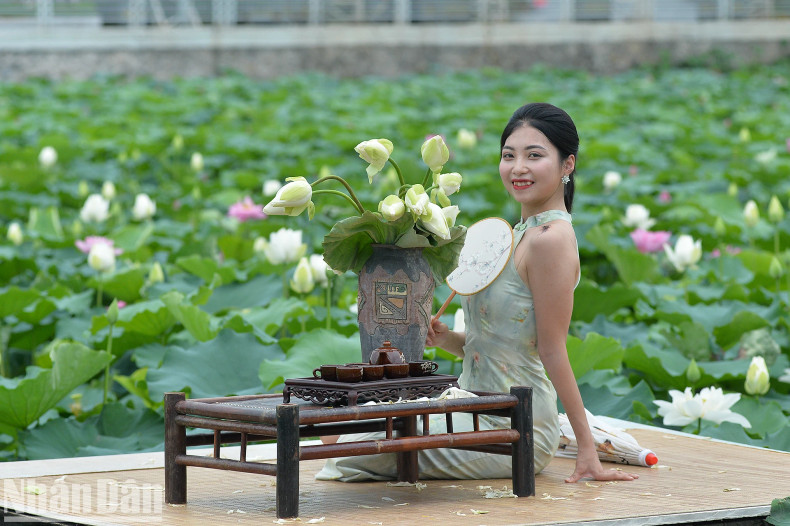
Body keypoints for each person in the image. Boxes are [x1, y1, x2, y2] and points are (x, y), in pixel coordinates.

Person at [316, 103, 639, 483]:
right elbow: (496, 345)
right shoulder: (513, 236)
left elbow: (551, 350)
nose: (518, 167)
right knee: (337, 431)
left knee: (353, 448)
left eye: (534, 156)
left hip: (516, 424)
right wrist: (447, 339)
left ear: (568, 164)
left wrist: (587, 450)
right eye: (509, 155)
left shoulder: (550, 241)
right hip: (471, 406)